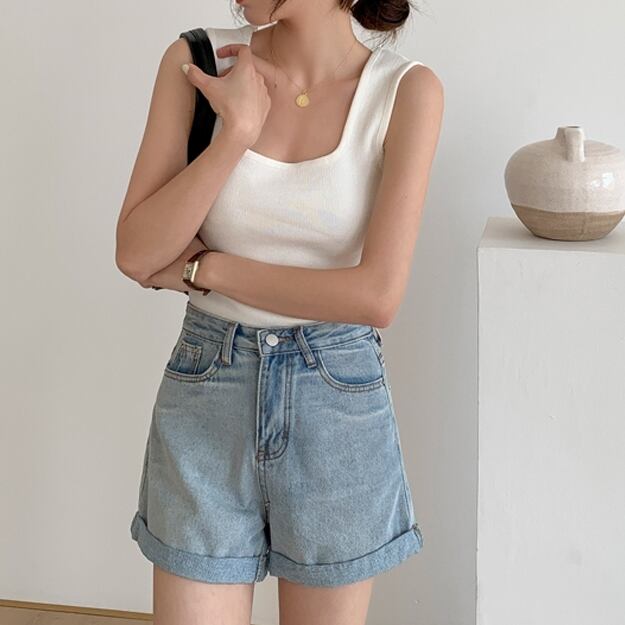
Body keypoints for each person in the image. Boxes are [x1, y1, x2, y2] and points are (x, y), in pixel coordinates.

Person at [115, 0, 443, 622]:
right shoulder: (199, 63)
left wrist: (207, 269)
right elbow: (136, 252)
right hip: (208, 385)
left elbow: (376, 297)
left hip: (336, 399)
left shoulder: (406, 91)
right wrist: (234, 134)